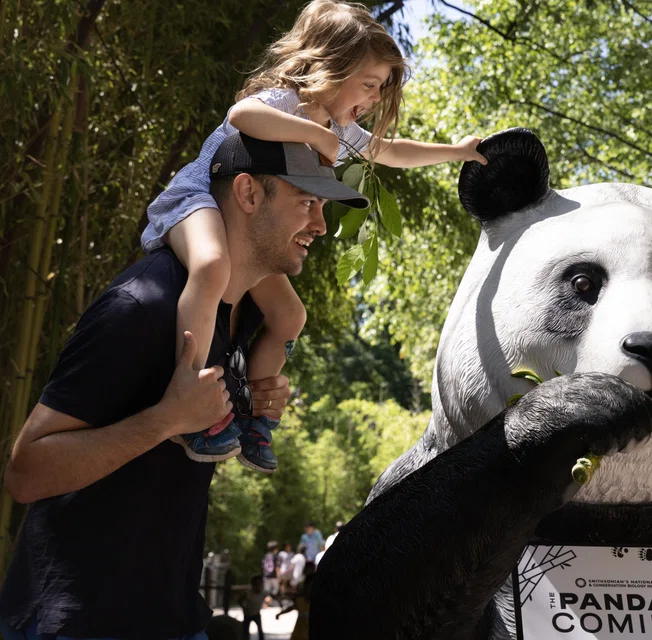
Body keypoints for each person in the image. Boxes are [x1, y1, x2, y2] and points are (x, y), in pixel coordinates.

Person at [0, 132, 367, 638]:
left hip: (172, 616)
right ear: (248, 193)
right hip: (77, 620)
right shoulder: (143, 307)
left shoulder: (244, 321)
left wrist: (252, 403)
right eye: (306, 202)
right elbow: (25, 472)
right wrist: (164, 420)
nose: (321, 226)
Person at [140, 0, 487, 473]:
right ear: (335, 65)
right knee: (210, 267)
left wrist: (457, 151)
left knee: (289, 315)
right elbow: (242, 115)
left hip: (244, 224)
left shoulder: (341, 127)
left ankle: (253, 417)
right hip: (199, 198)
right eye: (368, 84)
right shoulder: (284, 101)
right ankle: (188, 392)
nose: (372, 99)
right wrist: (317, 136)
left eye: (380, 90)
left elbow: (391, 151)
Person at [277, 563, 315, 640]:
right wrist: (280, 613)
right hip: (298, 635)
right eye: (308, 587)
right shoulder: (300, 600)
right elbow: (293, 607)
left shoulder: (319, 604)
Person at [240, 575, 270, 640]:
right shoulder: (248, 593)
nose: (258, 586)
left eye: (260, 584)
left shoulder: (264, 592)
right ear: (253, 585)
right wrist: (244, 608)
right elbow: (240, 600)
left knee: (260, 631)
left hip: (256, 614)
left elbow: (273, 596)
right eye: (257, 585)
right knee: (245, 631)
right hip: (247, 614)